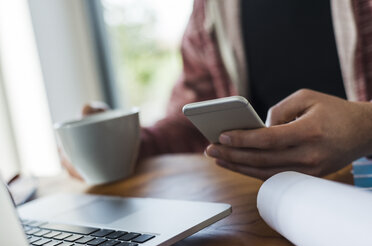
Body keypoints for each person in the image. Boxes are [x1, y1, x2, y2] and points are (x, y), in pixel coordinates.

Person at [63, 0, 372, 180]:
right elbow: (196, 116)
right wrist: (126, 144)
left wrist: (365, 126)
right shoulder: (211, 8)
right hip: (274, 207)